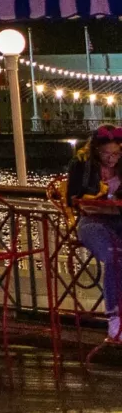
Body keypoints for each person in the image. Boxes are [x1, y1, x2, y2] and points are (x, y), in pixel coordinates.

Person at [70, 126, 122, 341]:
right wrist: (92, 201)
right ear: (96, 151)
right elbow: (71, 198)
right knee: (113, 255)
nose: (111, 159)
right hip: (91, 221)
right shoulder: (82, 166)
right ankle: (114, 317)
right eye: (106, 154)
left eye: (116, 154)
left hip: (117, 219)